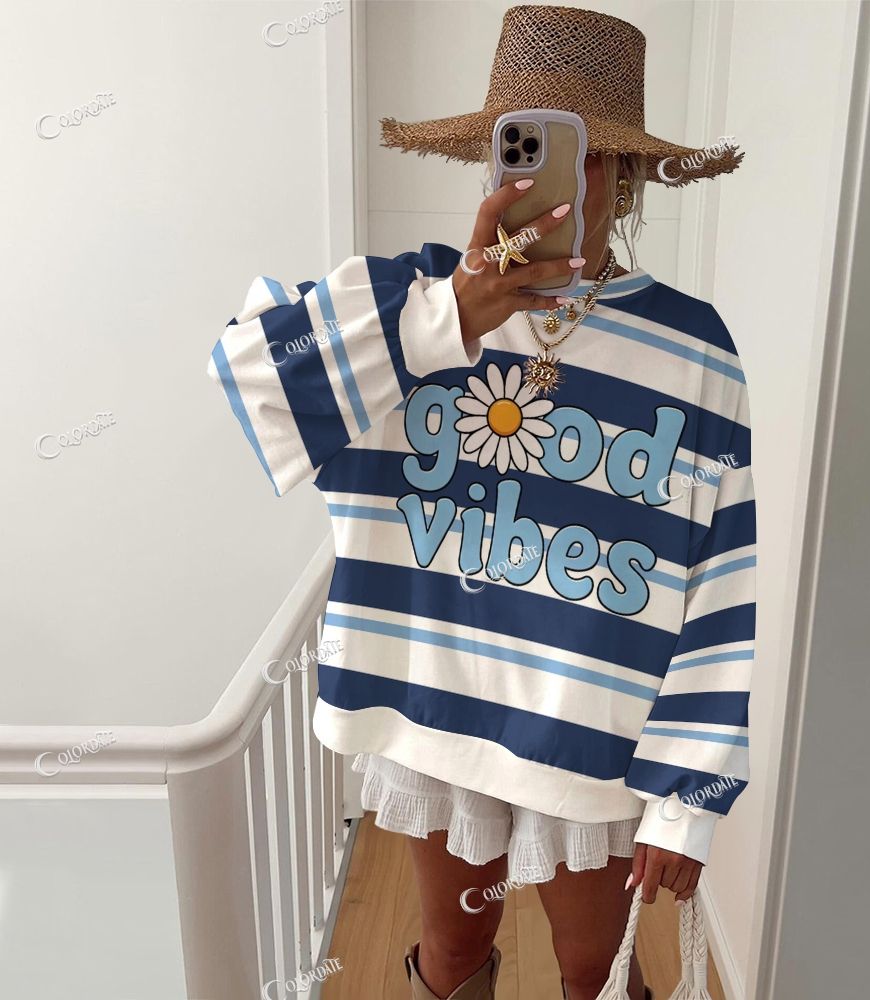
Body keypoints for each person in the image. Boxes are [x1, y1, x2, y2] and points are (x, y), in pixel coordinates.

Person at [207, 6, 755, 999]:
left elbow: (722, 574)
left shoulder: (693, 349)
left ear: (629, 174)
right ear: (491, 162)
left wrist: (689, 794)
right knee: (451, 954)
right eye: (522, 147)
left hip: (589, 726)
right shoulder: (410, 299)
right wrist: (449, 315)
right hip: (435, 704)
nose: (555, 182)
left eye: (584, 153)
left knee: (595, 967)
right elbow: (250, 375)